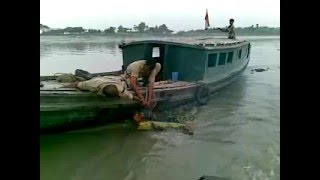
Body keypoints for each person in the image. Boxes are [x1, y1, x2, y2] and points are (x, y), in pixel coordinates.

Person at [62, 75, 140, 101]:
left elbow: (131, 96)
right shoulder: (92, 85)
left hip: (114, 79)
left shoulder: (120, 88)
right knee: (83, 82)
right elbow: (77, 84)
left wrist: (141, 100)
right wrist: (63, 87)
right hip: (98, 80)